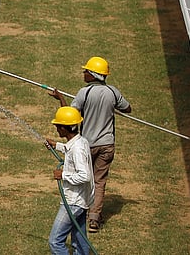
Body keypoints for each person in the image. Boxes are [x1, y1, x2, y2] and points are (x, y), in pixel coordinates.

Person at [49, 56, 131, 233]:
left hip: (88, 144)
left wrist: (60, 98)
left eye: (86, 71)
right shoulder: (113, 92)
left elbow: (69, 115)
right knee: (99, 181)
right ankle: (94, 218)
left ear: (94, 75)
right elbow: (127, 108)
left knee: (85, 178)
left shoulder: (84, 93)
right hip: (107, 144)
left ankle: (82, 210)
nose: (83, 73)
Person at [46, 106, 95, 255]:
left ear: (65, 128)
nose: (56, 129)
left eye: (58, 126)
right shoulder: (81, 141)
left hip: (73, 201)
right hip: (82, 199)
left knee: (55, 241)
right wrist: (57, 145)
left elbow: (84, 175)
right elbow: (71, 149)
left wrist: (63, 175)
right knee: (80, 241)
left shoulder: (77, 149)